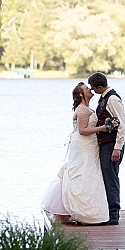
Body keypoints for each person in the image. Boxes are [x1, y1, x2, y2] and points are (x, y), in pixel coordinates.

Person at [41, 82, 110, 225]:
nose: (90, 89)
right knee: (81, 173)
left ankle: (87, 211)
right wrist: (103, 128)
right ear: (80, 94)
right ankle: (79, 211)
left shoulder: (86, 109)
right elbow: (82, 130)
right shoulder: (83, 110)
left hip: (89, 145)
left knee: (89, 174)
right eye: (86, 88)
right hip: (83, 145)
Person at [87, 72, 125, 225]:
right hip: (106, 143)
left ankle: (114, 214)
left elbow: (122, 124)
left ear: (100, 86)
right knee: (106, 176)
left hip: (112, 144)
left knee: (111, 178)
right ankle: (107, 211)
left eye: (93, 88)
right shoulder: (104, 98)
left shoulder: (113, 99)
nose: (92, 90)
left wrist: (117, 148)